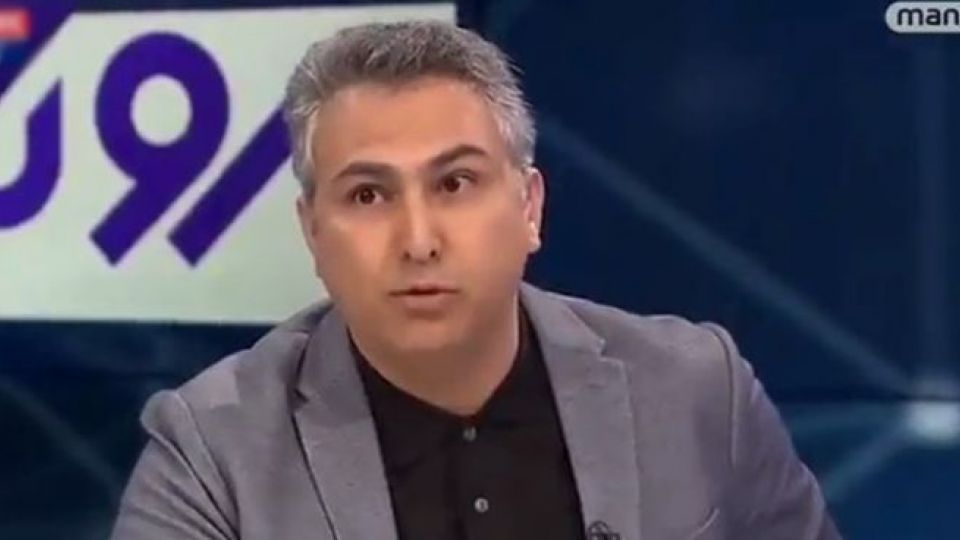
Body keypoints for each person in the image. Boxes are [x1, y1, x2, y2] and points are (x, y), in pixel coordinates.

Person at [111, 20, 841, 540]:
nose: (418, 240)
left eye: (455, 183)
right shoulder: (213, 456)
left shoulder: (697, 391)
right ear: (313, 232)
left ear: (529, 207)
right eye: (368, 194)